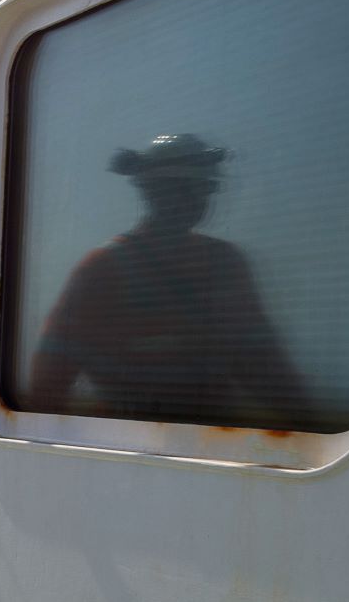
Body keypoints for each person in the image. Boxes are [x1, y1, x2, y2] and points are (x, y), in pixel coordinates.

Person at [24, 132, 310, 428]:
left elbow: (266, 368)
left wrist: (306, 431)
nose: (193, 200)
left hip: (218, 450)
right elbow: (48, 386)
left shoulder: (226, 264)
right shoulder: (103, 271)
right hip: (128, 451)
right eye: (181, 189)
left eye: (201, 189)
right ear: (152, 192)